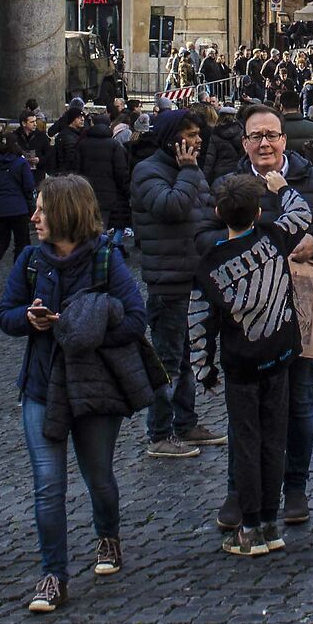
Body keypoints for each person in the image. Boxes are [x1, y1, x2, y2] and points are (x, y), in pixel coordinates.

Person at [197, 103, 313, 530]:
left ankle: (295, 487)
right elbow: (202, 236)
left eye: (271, 135)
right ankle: (239, 492)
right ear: (245, 142)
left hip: (302, 305)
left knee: (300, 402)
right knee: (244, 413)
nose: (265, 143)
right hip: (248, 315)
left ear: (284, 139)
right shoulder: (227, 185)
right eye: (256, 136)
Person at [0, 174, 150, 614]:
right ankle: (53, 575)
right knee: (47, 485)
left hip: (92, 387)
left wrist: (85, 325)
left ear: (66, 212)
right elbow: (5, 316)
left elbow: (135, 320)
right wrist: (30, 318)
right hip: (42, 385)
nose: (34, 217)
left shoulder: (106, 259)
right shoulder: (30, 259)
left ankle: (108, 536)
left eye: (43, 209)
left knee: (97, 476)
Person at [196, 172, 307, 557]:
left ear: (217, 212)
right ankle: (270, 523)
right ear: (259, 212)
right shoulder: (274, 237)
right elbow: (301, 212)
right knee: (273, 442)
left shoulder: (210, 263)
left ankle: (250, 526)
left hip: (241, 365)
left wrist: (203, 368)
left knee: (246, 443)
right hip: (279, 355)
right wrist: (282, 187)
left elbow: (200, 322)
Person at [129, 110, 222, 459]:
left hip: (191, 275)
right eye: (192, 135)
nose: (199, 140)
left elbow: (206, 208)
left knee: (187, 358)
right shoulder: (148, 171)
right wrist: (188, 171)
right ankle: (159, 433)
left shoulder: (190, 170)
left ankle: (186, 423)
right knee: (167, 361)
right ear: (173, 139)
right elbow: (173, 207)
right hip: (167, 281)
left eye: (199, 134)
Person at [0, 128, 38, 288]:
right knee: (21, 242)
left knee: (2, 241)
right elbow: (28, 186)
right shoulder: (20, 163)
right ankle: (17, 275)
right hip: (18, 207)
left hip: (0, 208)